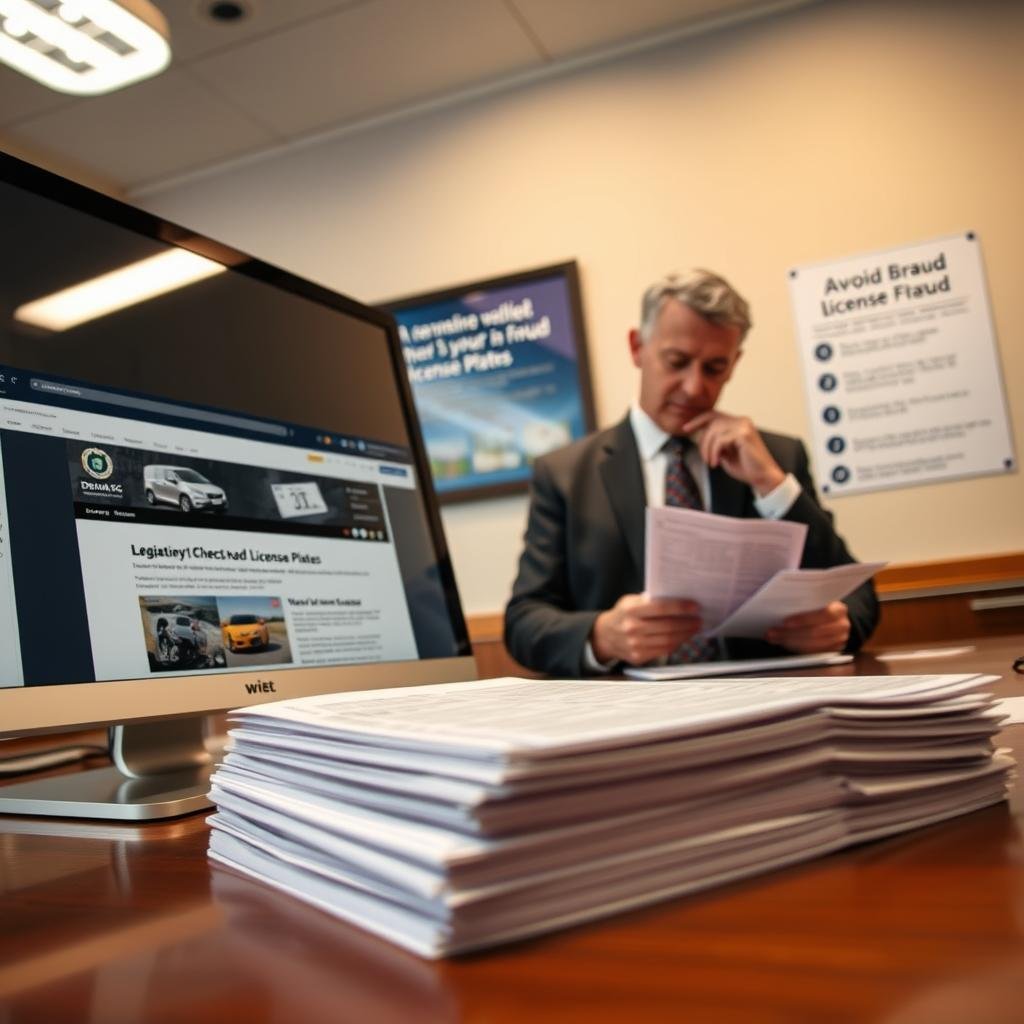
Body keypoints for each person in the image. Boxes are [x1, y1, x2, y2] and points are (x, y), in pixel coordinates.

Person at [504, 269, 879, 676]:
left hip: (764, 703)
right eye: (677, 362)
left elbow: (857, 595)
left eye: (715, 368)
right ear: (637, 347)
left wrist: (771, 486)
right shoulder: (566, 474)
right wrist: (601, 636)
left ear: (735, 363)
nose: (694, 387)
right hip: (627, 717)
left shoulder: (778, 457)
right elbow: (524, 620)